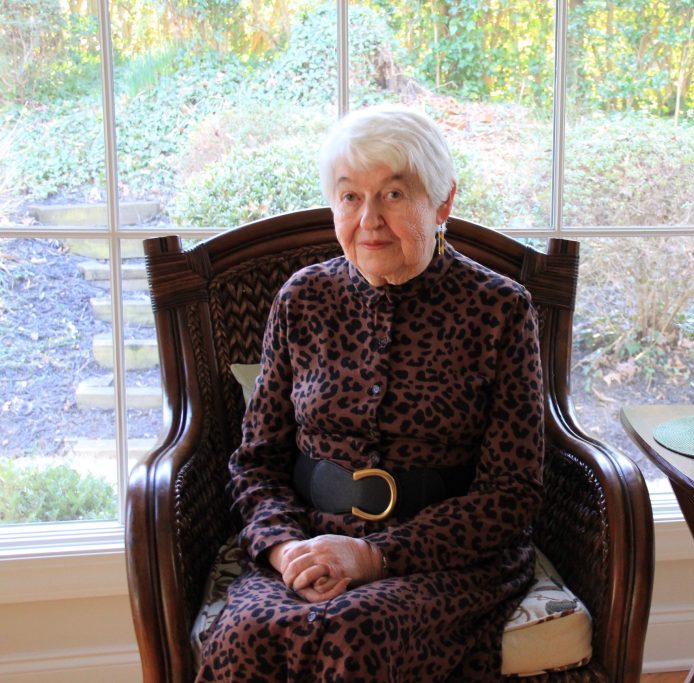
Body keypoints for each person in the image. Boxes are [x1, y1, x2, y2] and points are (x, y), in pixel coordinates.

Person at [196, 104, 544, 682]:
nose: (370, 221)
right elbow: (256, 462)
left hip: (446, 559)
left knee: (354, 631)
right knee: (248, 634)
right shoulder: (302, 299)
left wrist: (375, 556)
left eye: (394, 194)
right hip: (307, 538)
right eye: (351, 197)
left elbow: (513, 493)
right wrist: (288, 552)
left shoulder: (500, 309)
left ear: (443, 203)